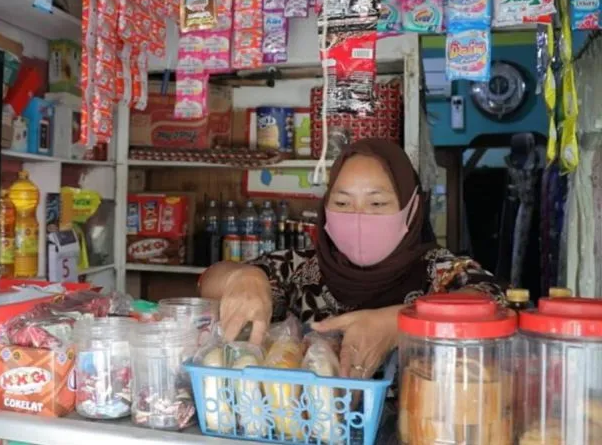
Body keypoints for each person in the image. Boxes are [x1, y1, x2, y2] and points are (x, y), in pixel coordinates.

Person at [199, 138, 505, 381]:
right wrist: (241, 277)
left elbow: (491, 300)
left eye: (377, 203)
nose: (358, 216)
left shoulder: (438, 269)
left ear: (412, 209)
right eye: (343, 203)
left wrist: (400, 323)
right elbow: (210, 282)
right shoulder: (300, 269)